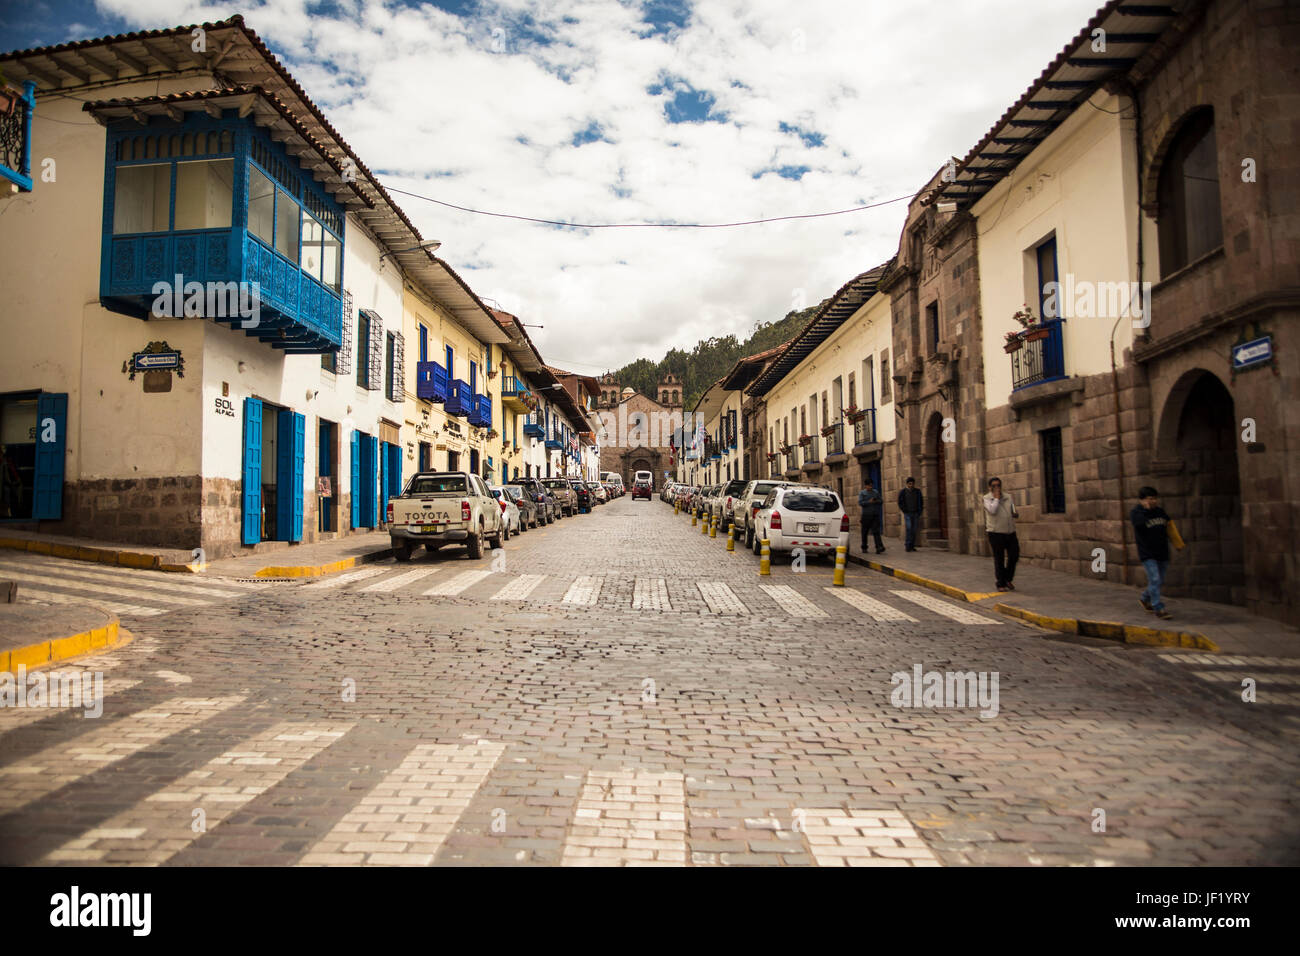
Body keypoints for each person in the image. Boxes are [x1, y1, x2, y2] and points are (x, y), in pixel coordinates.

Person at [1131, 486, 1176, 620]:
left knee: (1158, 580)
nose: (1153, 501)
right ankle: (1158, 608)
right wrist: (1146, 510)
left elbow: (1170, 527)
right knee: (1155, 579)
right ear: (1142, 500)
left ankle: (1145, 598)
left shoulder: (1160, 512)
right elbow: (1138, 524)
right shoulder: (1137, 513)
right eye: (1150, 499)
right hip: (1147, 553)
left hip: (1162, 552)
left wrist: (1177, 542)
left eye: (1155, 499)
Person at [981, 477, 1020, 591]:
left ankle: (1008, 578)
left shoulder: (1008, 497)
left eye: (998, 485)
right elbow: (992, 511)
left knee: (1014, 555)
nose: (997, 487)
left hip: (1010, 531)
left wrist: (1014, 513)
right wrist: (996, 498)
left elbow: (1012, 509)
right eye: (994, 485)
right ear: (990, 487)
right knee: (999, 558)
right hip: (995, 532)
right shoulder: (987, 498)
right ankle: (1000, 583)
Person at [858, 478, 885, 554]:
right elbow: (860, 503)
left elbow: (881, 501)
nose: (871, 487)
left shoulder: (875, 492)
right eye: (869, 486)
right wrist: (868, 502)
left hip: (874, 514)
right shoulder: (862, 493)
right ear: (866, 486)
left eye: (871, 485)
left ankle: (879, 547)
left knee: (876, 531)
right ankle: (864, 547)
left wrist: (876, 501)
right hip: (866, 515)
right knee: (865, 532)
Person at [897, 477, 923, 551]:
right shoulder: (903, 492)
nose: (911, 485)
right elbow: (900, 502)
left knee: (914, 530)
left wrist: (919, 511)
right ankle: (908, 545)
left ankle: (912, 545)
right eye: (909, 484)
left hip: (915, 513)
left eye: (912, 484)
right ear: (907, 484)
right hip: (908, 513)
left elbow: (921, 501)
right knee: (909, 529)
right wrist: (904, 510)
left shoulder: (917, 491)